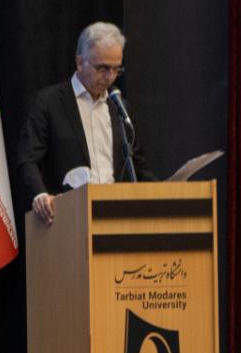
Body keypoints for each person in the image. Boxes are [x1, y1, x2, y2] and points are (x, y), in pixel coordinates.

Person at [14, 21, 151, 226]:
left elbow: (137, 165)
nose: (110, 77)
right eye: (103, 68)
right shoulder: (49, 103)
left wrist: (168, 191)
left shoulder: (120, 107)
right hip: (69, 219)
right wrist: (40, 195)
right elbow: (28, 160)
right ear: (80, 62)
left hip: (118, 218)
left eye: (116, 69)